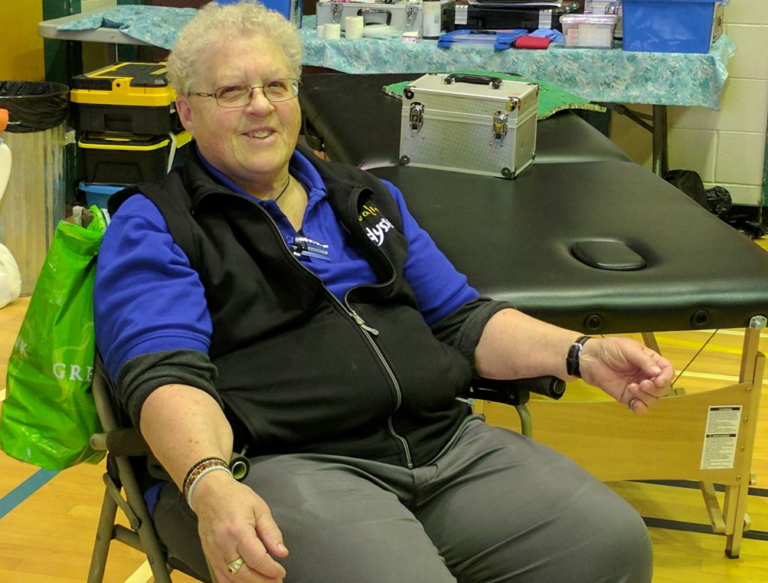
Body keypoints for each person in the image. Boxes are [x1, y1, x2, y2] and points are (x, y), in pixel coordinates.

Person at [94, 2, 674, 582]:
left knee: (610, 546)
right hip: (280, 465)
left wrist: (582, 353)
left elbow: (462, 320)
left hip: (439, 442)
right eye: (231, 91)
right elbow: (165, 374)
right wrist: (206, 480)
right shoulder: (157, 224)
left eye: (277, 85)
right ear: (186, 111)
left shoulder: (361, 196)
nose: (262, 106)